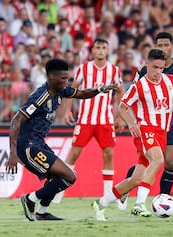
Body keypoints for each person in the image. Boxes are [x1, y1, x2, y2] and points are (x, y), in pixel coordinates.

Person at [5, 58, 117, 221]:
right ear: (51, 77)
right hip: (28, 146)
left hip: (39, 143)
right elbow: (16, 120)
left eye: (67, 78)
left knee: (57, 178)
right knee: (70, 176)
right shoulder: (40, 96)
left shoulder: (61, 90)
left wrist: (100, 89)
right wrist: (13, 153)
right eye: (63, 78)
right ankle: (30, 199)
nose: (66, 82)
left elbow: (82, 93)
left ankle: (42, 212)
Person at [91, 48, 173, 221]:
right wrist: (131, 124)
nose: (158, 72)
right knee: (158, 160)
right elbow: (122, 107)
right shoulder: (139, 86)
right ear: (146, 65)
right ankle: (139, 205)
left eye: (161, 68)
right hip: (146, 130)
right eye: (154, 67)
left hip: (163, 131)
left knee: (136, 178)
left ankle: (100, 203)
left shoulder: (172, 81)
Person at [118, 31, 173, 211]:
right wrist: (129, 120)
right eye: (159, 45)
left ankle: (163, 200)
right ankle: (127, 188)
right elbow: (134, 93)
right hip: (148, 123)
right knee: (149, 161)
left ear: (172, 46)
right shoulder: (145, 69)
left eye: (166, 45)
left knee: (170, 161)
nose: (163, 48)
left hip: (171, 121)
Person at [53, 38, 125, 204]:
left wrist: (119, 114)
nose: (100, 50)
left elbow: (120, 90)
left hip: (105, 120)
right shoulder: (83, 69)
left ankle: (108, 194)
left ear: (108, 51)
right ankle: (58, 191)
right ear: (92, 51)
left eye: (103, 48)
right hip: (85, 119)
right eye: (97, 47)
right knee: (74, 153)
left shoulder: (113, 71)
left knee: (108, 154)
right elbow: (73, 89)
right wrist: (68, 110)